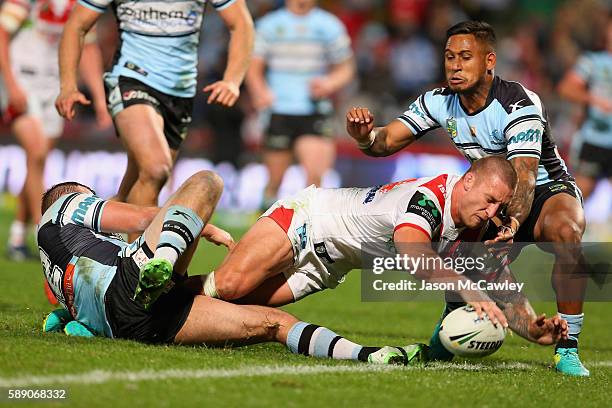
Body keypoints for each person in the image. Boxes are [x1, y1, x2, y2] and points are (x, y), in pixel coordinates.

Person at [345, 21, 589, 376]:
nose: (455, 66)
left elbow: (524, 175)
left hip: (543, 190)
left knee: (567, 231)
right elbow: (386, 142)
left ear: (489, 61)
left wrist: (514, 222)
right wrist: (365, 137)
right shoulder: (438, 101)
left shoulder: (518, 103)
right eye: (449, 57)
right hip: (493, 198)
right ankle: (448, 334)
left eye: (465, 57)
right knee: (466, 258)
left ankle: (568, 346)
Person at [37, 172, 427, 366]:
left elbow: (63, 303)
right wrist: (201, 225)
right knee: (207, 182)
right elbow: (140, 217)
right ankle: (164, 264)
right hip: (127, 284)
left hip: (130, 324)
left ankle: (371, 357)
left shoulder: (54, 268)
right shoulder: (65, 205)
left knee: (272, 322)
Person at [203, 157, 567, 348]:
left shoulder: (479, 226)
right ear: (468, 180)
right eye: (488, 201)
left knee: (236, 307)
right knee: (231, 286)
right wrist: (468, 288)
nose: (490, 213)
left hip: (329, 267)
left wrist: (534, 329)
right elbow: (412, 252)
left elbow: (499, 282)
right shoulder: (428, 198)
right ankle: (155, 293)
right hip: (308, 220)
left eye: (498, 206)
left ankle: (170, 300)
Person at [55, 0, 254, 240]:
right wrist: (68, 85)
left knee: (137, 183)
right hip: (130, 78)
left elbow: (241, 23)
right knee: (155, 168)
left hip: (180, 93)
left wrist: (233, 79)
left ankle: (74, 237)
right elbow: (76, 24)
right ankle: (138, 267)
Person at [0, 0, 110, 263]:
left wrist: (99, 99)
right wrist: (11, 84)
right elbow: (1, 34)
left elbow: (89, 49)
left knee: (36, 161)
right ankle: (46, 235)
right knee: (36, 151)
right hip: (22, 79)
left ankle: (17, 235)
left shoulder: (80, 4)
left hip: (54, 85)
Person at [246, 0, 355, 209]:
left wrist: (329, 83)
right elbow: (254, 67)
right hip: (279, 110)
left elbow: (346, 68)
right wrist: (260, 92)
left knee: (314, 181)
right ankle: (261, 230)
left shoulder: (329, 25)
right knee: (274, 181)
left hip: (314, 110)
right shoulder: (269, 25)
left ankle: (308, 235)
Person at [557, 16, 612, 203]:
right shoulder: (593, 61)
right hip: (594, 140)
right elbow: (566, 88)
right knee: (577, 199)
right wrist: (594, 100)